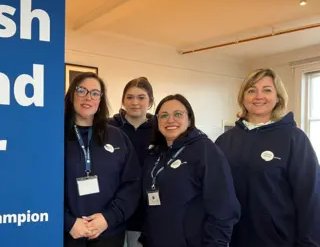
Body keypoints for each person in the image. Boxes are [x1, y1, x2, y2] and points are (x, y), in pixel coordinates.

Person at [215, 68, 320, 247]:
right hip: (232, 240)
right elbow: (215, 194)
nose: (259, 96)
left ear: (278, 97)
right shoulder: (225, 141)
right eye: (251, 90)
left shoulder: (294, 138)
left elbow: (310, 198)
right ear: (242, 98)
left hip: (280, 240)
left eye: (267, 90)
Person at [141, 94, 240, 247]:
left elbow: (223, 206)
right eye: (164, 115)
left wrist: (217, 243)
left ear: (190, 119)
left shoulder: (206, 150)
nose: (170, 120)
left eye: (178, 114)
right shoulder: (155, 154)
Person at [64, 72, 142, 247]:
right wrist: (68, 222)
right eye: (81, 90)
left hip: (109, 233)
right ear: (71, 95)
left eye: (95, 93)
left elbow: (132, 184)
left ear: (101, 99)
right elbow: (40, 186)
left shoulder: (117, 136)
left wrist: (108, 218)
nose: (88, 97)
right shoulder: (54, 134)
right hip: (67, 234)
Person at [108, 77, 155, 247]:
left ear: (150, 101)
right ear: (122, 100)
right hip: (112, 209)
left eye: (141, 97)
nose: (135, 102)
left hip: (146, 212)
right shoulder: (108, 127)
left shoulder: (160, 130)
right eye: (129, 97)